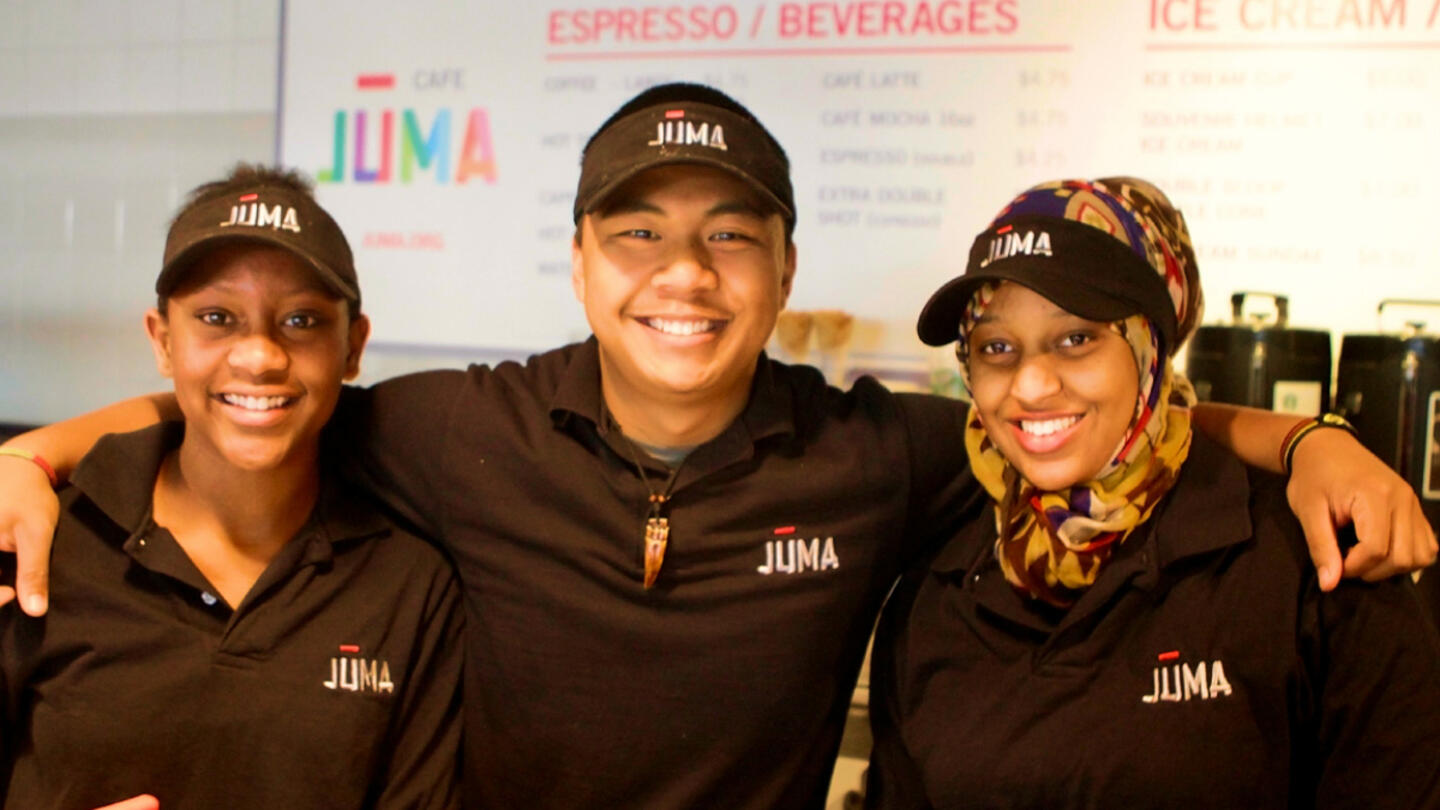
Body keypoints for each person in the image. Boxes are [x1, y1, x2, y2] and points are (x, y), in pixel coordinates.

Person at [0, 87, 1433, 810]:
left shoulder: (878, 451)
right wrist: (36, 454)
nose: (681, 275)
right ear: (577, 262)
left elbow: (1070, 421)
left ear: (783, 265)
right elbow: (254, 394)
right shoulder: (457, 430)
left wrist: (1303, 438)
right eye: (639, 234)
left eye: (727, 237)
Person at [865, 178, 1440, 809]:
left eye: (1076, 338)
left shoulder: (1307, 557)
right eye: (996, 347)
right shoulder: (939, 585)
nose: (1030, 386)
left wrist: (1313, 441)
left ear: (1148, 348)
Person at [0, 166, 463, 809]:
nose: (260, 356)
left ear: (353, 348)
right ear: (163, 341)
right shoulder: (40, 544)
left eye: (301, 321)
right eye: (217, 317)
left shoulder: (410, 588)